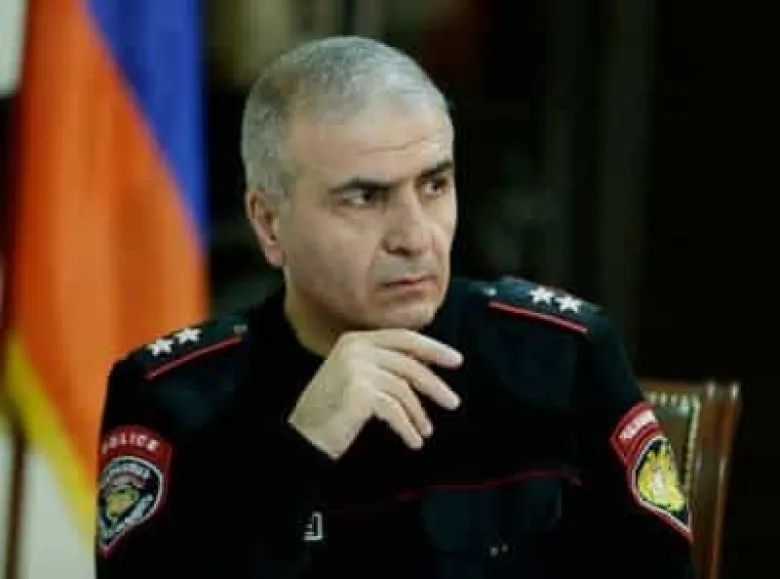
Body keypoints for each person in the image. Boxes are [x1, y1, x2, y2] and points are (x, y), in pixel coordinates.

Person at [94, 36, 695, 578]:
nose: (414, 236)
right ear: (269, 223)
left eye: (434, 185)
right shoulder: (175, 399)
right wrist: (300, 450)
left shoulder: (559, 358)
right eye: (365, 197)